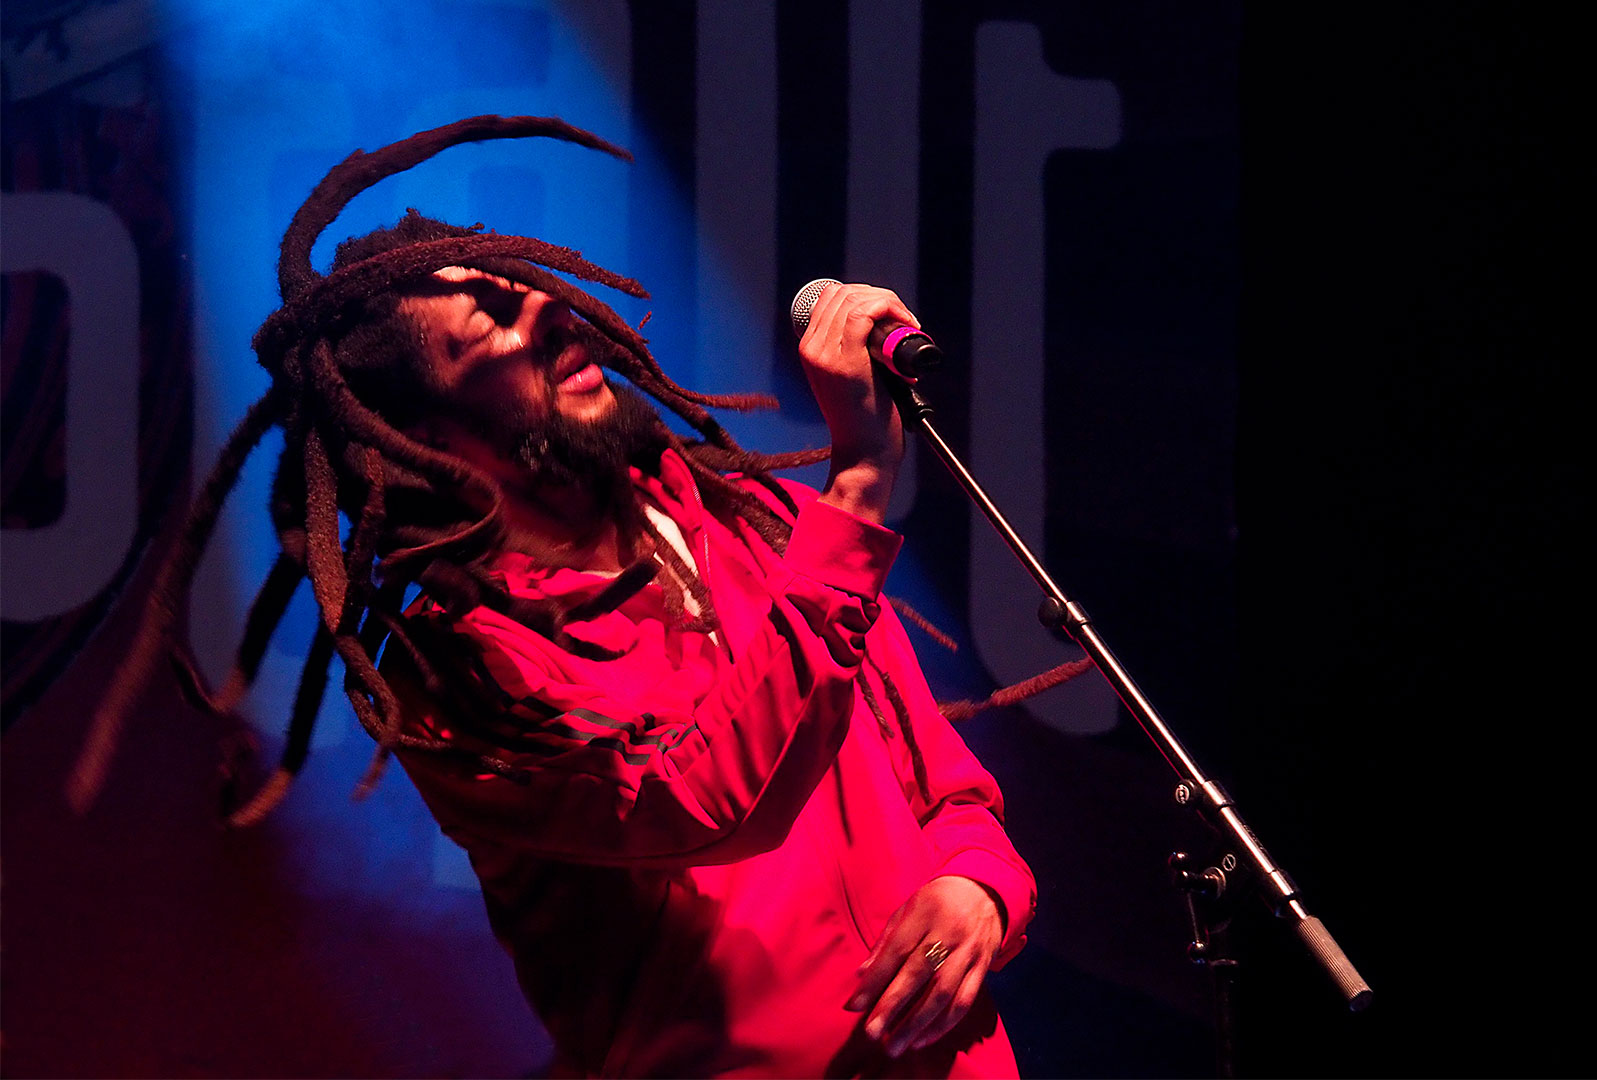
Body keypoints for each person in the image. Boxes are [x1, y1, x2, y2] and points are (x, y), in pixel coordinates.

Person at [78, 115, 1036, 1077]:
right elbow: (697, 802)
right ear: (431, 436)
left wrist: (981, 886)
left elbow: (946, 787)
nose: (546, 311)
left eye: (529, 286)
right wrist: (859, 483)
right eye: (491, 321)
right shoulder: (459, 678)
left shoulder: (759, 523)